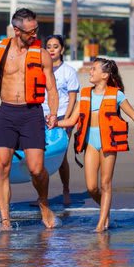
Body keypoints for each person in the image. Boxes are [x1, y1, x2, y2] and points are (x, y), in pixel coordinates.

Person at [57, 57, 134, 232]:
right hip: (91, 143)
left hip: (108, 142)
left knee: (105, 184)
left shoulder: (117, 95)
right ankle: (105, 211)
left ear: (105, 75)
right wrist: (54, 123)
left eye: (94, 69)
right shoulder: (84, 93)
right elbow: (70, 121)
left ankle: (101, 225)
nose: (90, 72)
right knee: (92, 187)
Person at [0, 8, 59, 231]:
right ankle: (5, 219)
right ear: (17, 30)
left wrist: (52, 113)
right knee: (1, 165)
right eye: (30, 31)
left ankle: (43, 202)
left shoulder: (41, 54)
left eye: (36, 30)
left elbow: (51, 88)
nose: (35, 35)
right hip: (6, 113)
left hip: (32, 113)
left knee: (36, 169)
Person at [42, 34, 80, 206]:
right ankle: (42, 196)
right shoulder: (40, 69)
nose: (51, 49)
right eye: (48, 46)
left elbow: (72, 98)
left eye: (55, 46)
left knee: (61, 156)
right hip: (41, 116)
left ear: (62, 49)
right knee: (40, 157)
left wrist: (67, 120)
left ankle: (66, 189)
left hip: (62, 116)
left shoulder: (69, 72)